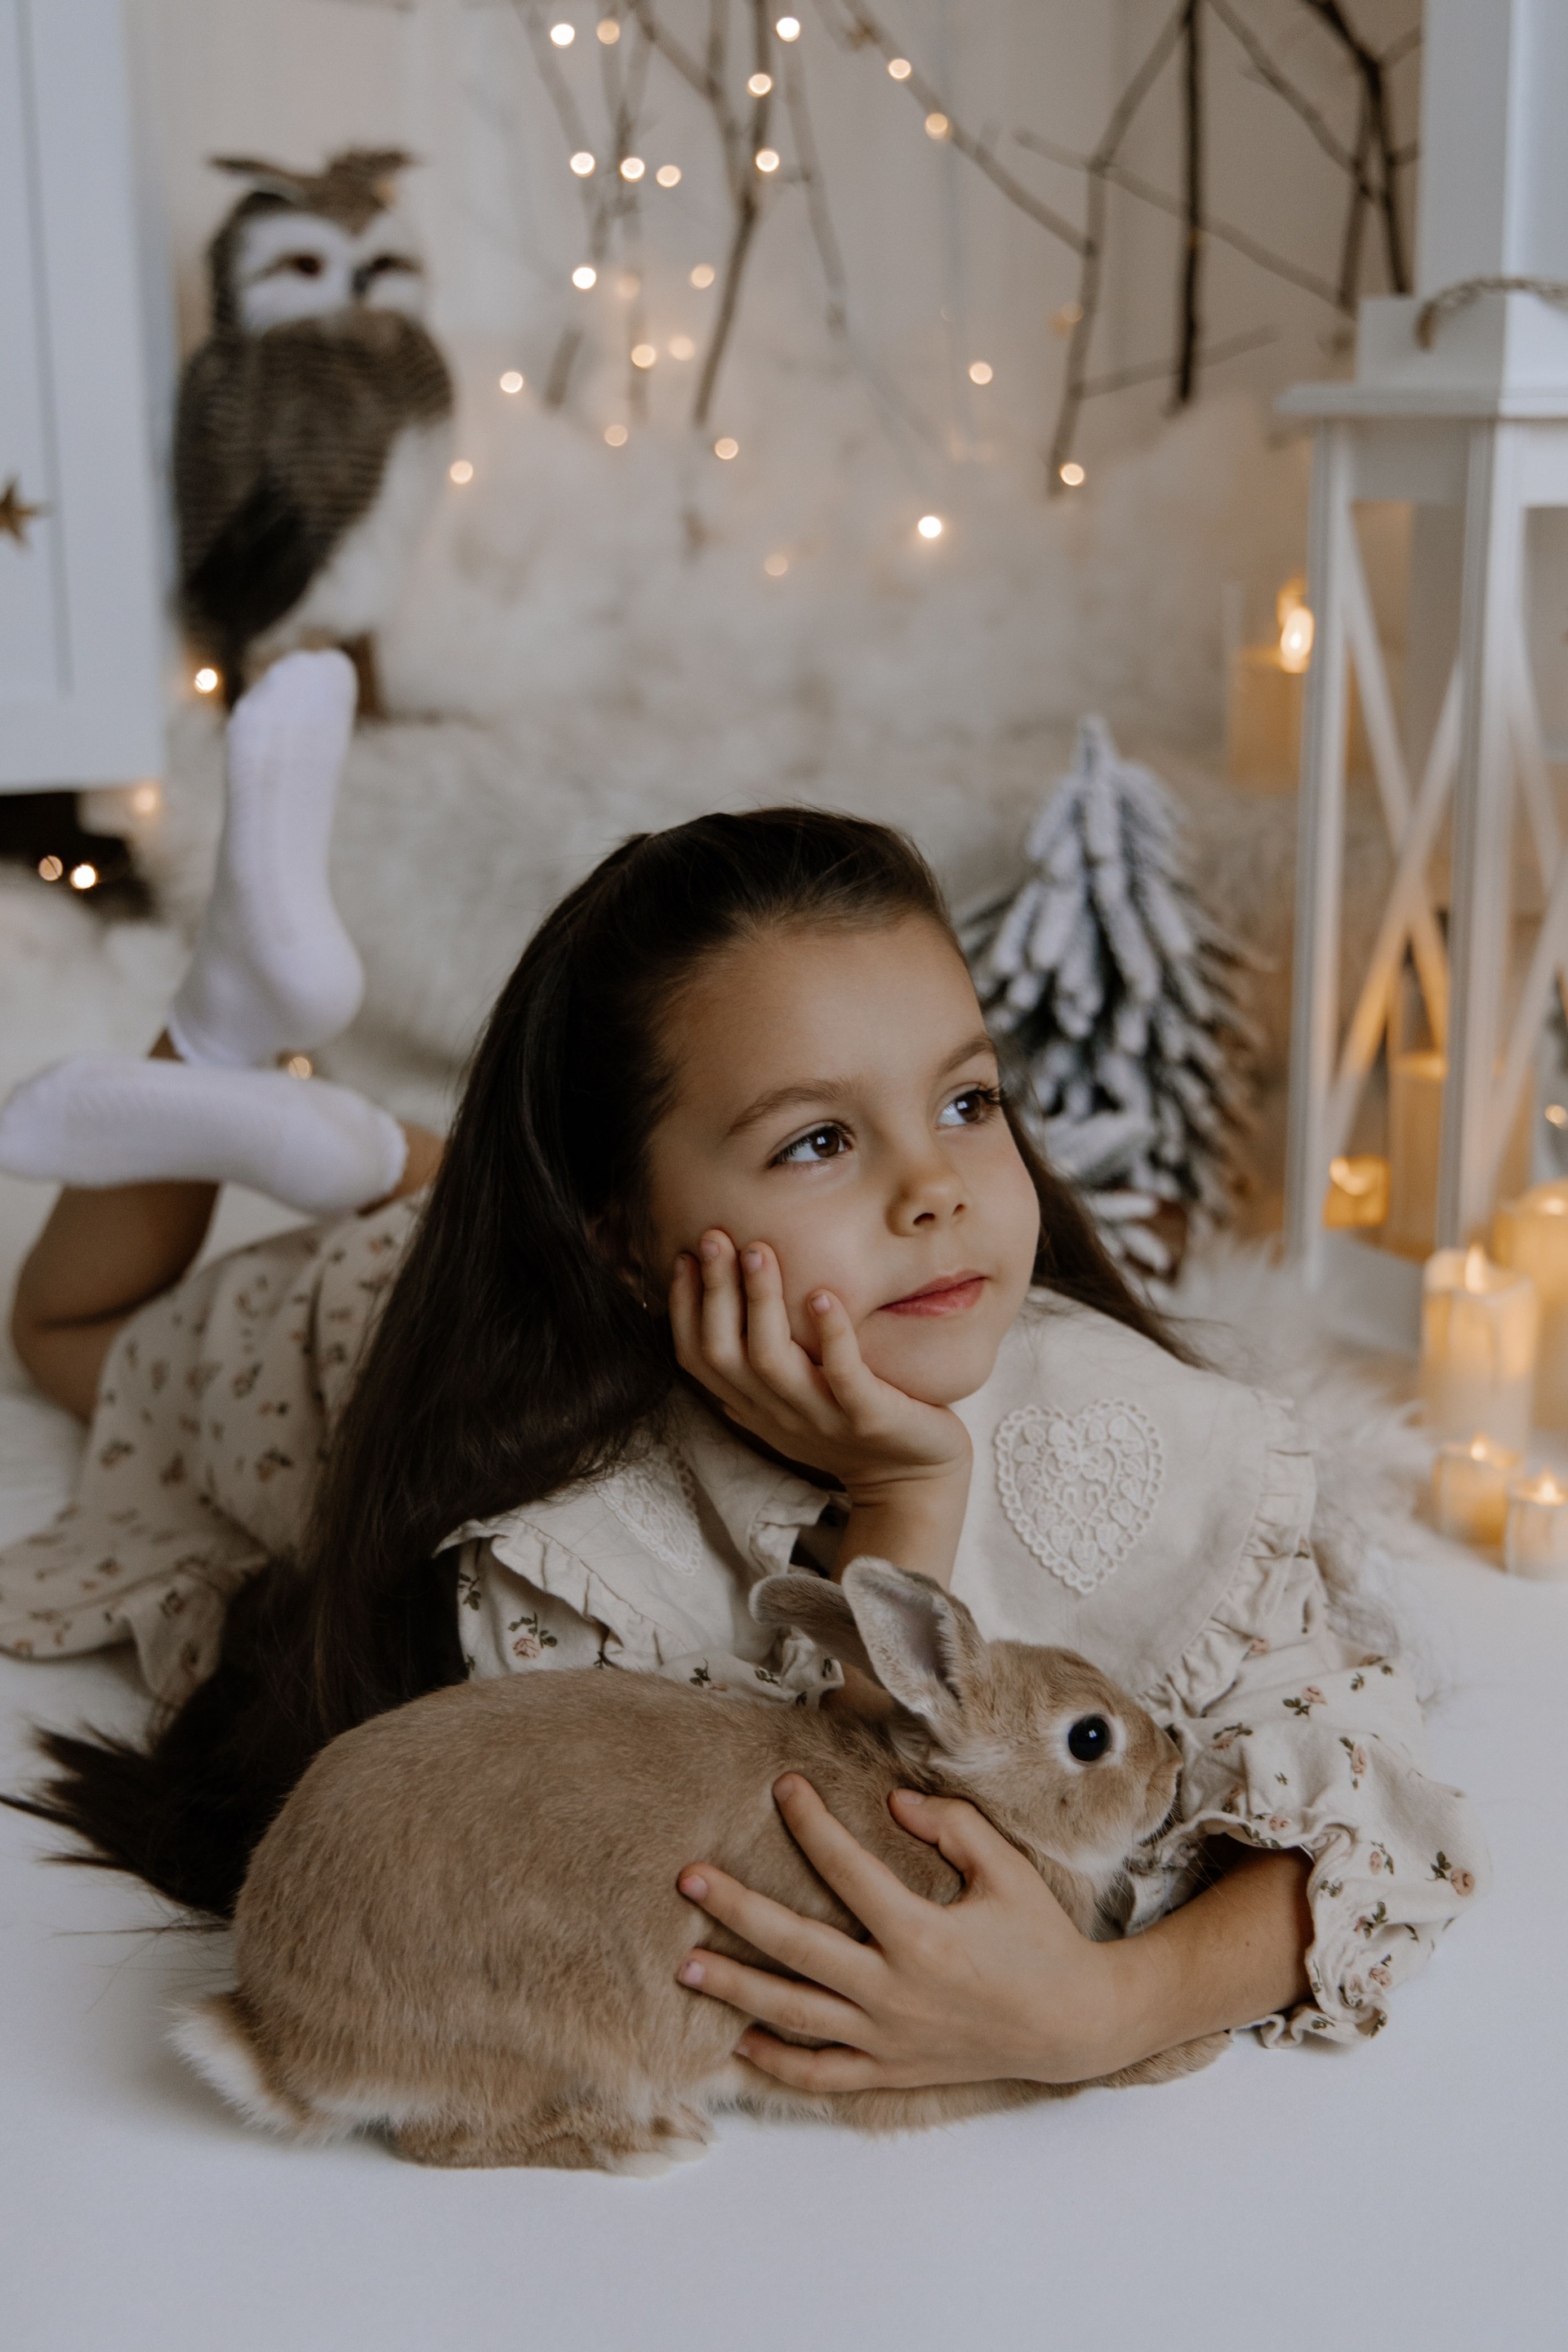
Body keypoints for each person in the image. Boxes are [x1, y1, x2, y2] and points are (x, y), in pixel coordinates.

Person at [0, 653, 1486, 2096]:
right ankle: (227, 1030)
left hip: (596, 1247)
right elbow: (764, 1846)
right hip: (393, 1302)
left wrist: (1111, 2008)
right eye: (819, 1140)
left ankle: (365, 1138)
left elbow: (1377, 1811)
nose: (936, 1191)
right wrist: (905, 1492)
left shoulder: (1116, 1418)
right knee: (66, 1338)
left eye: (967, 1100)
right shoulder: (554, 1542)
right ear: (622, 1242)